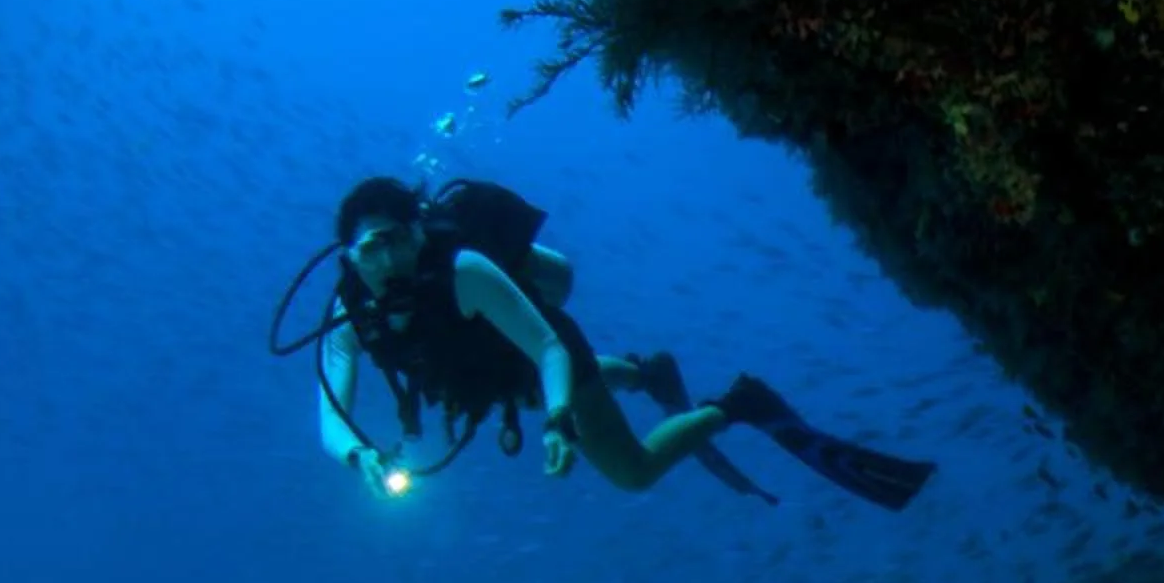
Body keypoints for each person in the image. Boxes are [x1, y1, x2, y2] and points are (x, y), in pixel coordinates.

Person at [306, 175, 934, 509]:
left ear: (419, 234)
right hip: (494, 376)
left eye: (396, 239)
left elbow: (548, 349)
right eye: (370, 248)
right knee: (537, 390)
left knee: (631, 473)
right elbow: (332, 413)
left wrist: (559, 418)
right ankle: (641, 372)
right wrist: (360, 457)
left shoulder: (463, 272)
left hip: (542, 355)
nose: (386, 260)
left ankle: (739, 403)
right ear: (348, 256)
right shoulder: (347, 315)